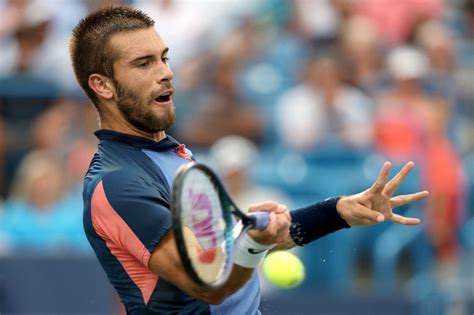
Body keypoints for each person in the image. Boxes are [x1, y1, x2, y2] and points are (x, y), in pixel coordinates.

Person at [69, 6, 429, 314]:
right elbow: (209, 282)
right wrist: (254, 242)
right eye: (144, 63)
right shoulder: (118, 182)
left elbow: (229, 251)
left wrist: (338, 212)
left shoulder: (171, 154)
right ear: (103, 85)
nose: (166, 72)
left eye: (164, 57)